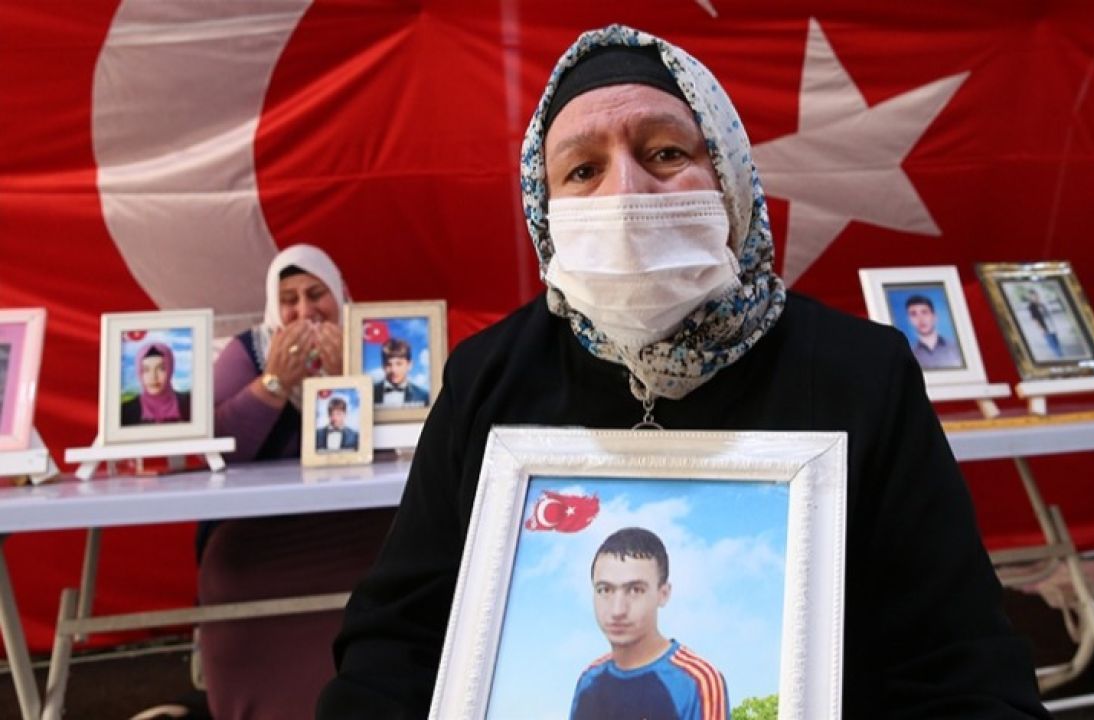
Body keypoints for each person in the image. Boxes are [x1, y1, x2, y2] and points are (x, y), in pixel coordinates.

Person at [318, 26, 1046, 719]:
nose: (625, 194)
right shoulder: (489, 379)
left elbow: (960, 664)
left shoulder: (862, 376)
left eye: (665, 153)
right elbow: (398, 642)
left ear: (728, 176)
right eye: (583, 170)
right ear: (543, 210)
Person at [191, 244, 395, 720]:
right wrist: (273, 384)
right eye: (289, 300)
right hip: (256, 538)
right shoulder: (249, 352)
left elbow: (408, 443)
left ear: (338, 295)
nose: (304, 311)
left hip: (362, 528)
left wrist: (349, 378)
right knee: (233, 581)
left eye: (316, 294)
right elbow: (215, 448)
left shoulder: (374, 345)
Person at [571, 527, 727, 720]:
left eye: (635, 590)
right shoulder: (588, 681)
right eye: (605, 590)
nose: (617, 610)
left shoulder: (697, 681)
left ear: (663, 594)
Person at [120, 342, 191, 425]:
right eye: (146, 370)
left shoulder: (189, 403)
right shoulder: (125, 411)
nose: (153, 377)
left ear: (170, 369)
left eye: (161, 368)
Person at [903, 294, 963, 370]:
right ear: (909, 320)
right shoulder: (908, 355)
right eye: (913, 314)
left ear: (935, 316)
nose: (920, 319)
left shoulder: (956, 347)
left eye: (924, 312)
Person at [371, 337, 430, 407]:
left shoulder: (423, 396)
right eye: (388, 364)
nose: (393, 370)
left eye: (399, 364)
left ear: (409, 365)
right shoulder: (370, 392)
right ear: (383, 366)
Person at [1024, 288, 1062, 358]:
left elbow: (1048, 315)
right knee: (1054, 346)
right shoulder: (1031, 307)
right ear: (1030, 298)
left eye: (1036, 295)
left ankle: (1060, 356)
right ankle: (1059, 357)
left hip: (1051, 326)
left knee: (1057, 344)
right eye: (1033, 296)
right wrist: (1041, 329)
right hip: (1045, 328)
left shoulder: (1041, 304)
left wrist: (1054, 326)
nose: (1035, 297)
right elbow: (1035, 319)